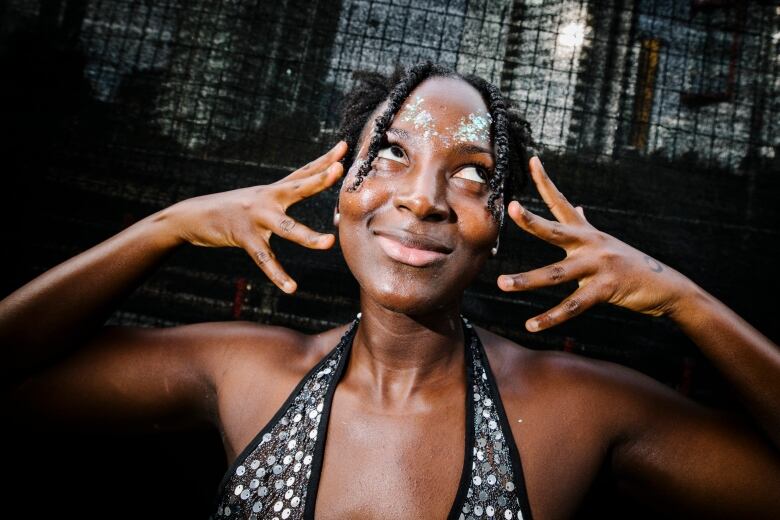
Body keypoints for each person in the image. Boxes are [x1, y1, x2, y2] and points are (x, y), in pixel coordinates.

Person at [2, 62, 778, 519]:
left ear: (500, 225)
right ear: (341, 189)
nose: (420, 199)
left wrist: (686, 301)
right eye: (392, 156)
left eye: (470, 174)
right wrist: (166, 226)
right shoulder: (246, 374)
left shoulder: (575, 410)